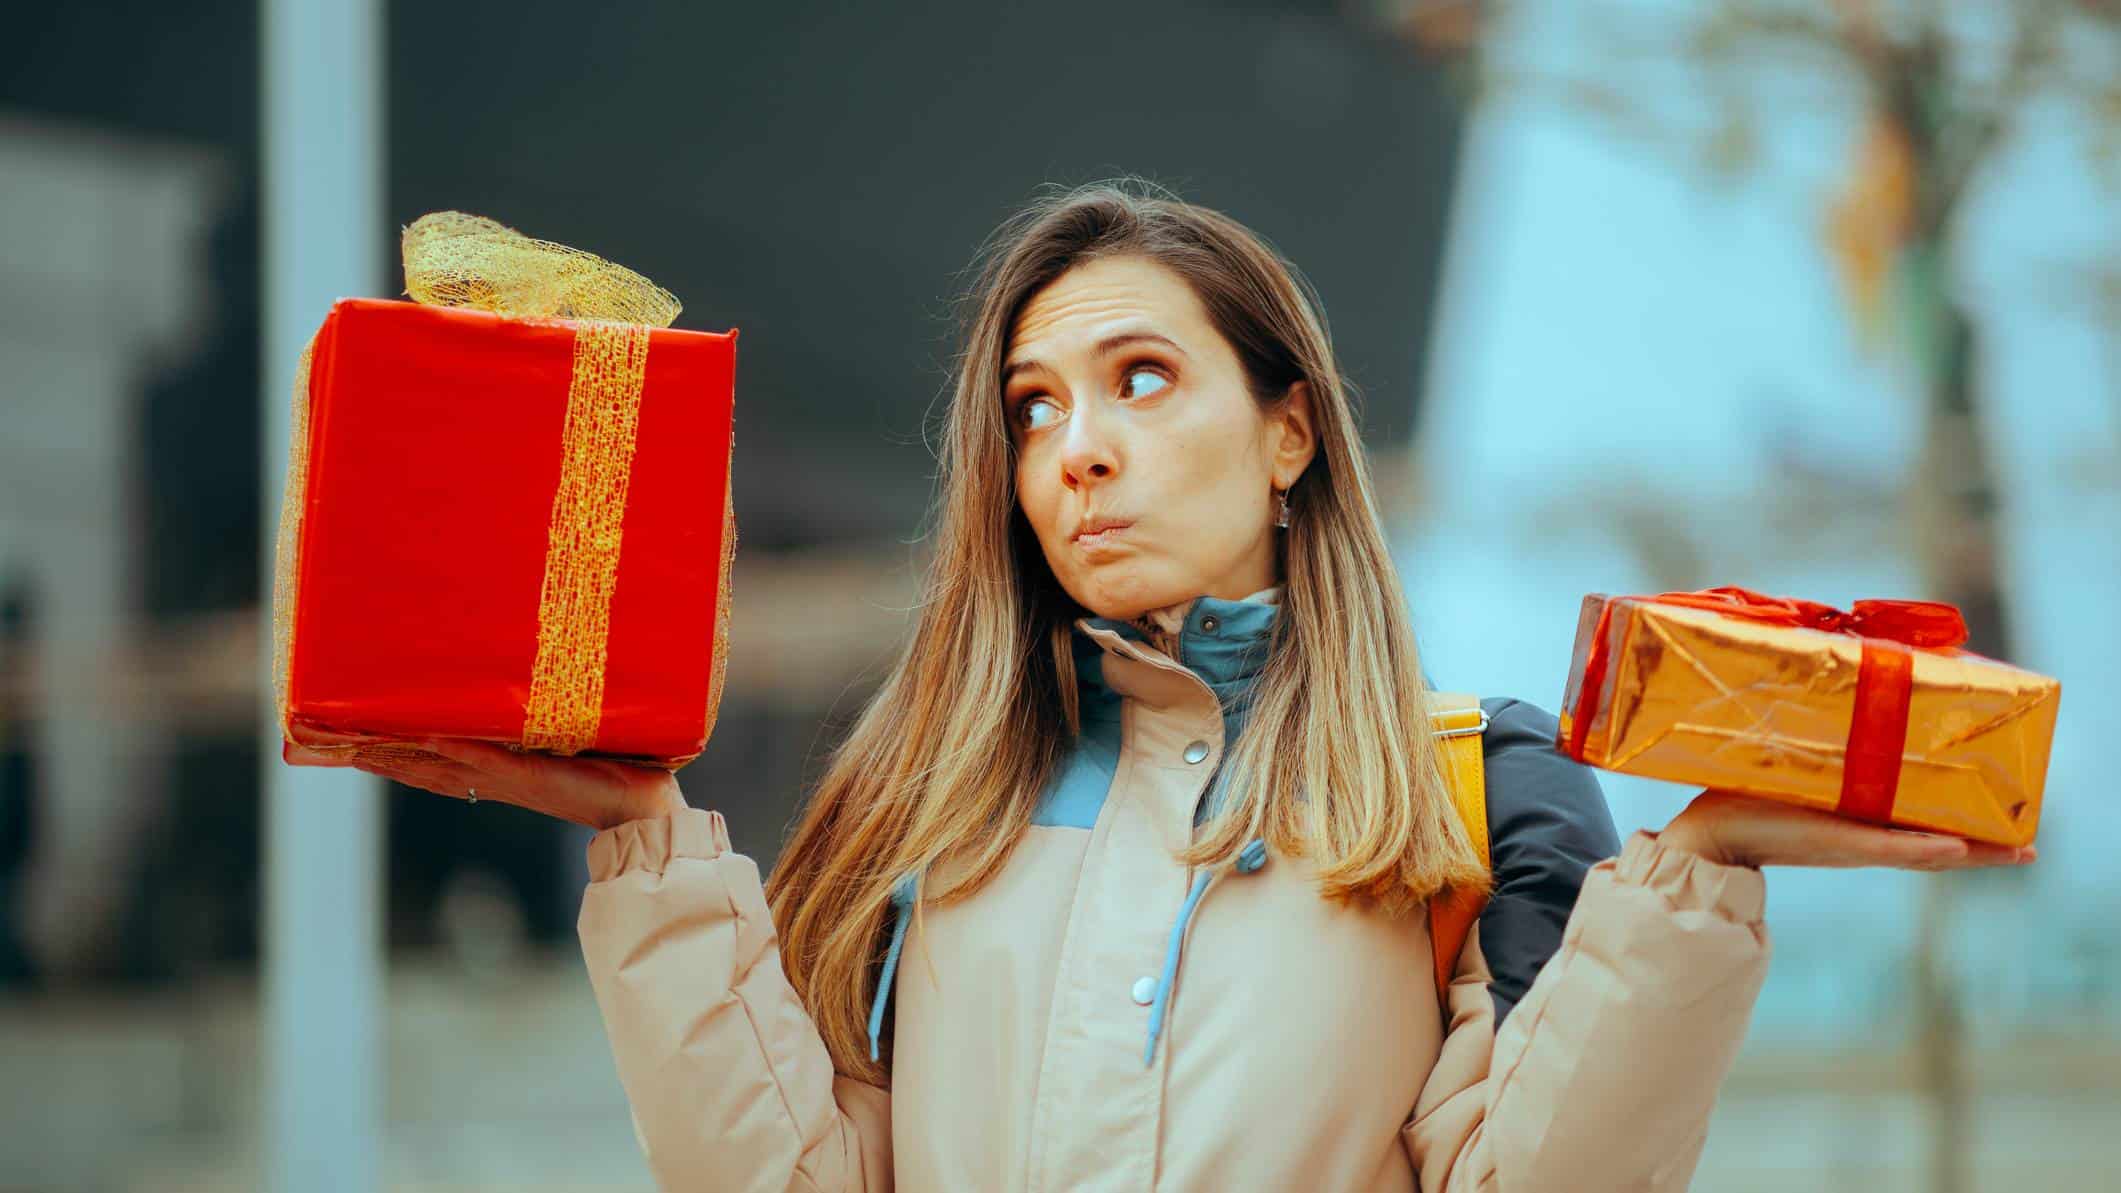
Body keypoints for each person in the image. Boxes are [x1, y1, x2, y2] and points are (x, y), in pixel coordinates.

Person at [357, 181, 2033, 1192]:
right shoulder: (921, 801)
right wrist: (649, 848)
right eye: (1029, 407)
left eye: (1139, 379)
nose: (1073, 448)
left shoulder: (1478, 790)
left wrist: (1694, 873)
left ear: (1288, 428)